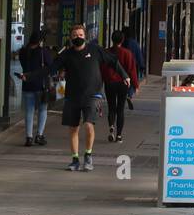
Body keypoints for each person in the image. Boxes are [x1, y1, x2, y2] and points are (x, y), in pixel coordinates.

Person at [51, 24, 129, 172]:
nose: (78, 38)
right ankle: (75, 159)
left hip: (92, 94)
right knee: (73, 128)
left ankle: (88, 155)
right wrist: (29, 76)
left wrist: (124, 75)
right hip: (72, 96)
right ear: (70, 38)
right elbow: (51, 68)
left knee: (88, 124)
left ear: (85, 36)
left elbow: (113, 61)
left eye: (80, 35)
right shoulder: (67, 54)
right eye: (74, 35)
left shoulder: (95, 50)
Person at [16, 31, 54, 147]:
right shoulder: (43, 52)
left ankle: (29, 137)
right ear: (40, 41)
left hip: (27, 85)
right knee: (42, 110)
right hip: (41, 86)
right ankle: (39, 135)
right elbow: (50, 66)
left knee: (29, 112)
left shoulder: (23, 52)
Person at [102, 31, 138, 143]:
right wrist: (135, 85)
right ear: (122, 40)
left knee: (111, 107)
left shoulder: (106, 52)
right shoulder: (127, 53)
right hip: (123, 83)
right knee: (120, 109)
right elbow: (131, 70)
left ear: (112, 39)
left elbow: (102, 68)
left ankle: (111, 127)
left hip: (109, 83)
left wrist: (103, 80)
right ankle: (119, 136)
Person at [122, 27, 145, 110]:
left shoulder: (122, 42)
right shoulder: (134, 43)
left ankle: (124, 94)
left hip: (122, 65)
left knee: (124, 80)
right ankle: (130, 96)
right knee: (131, 81)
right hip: (133, 65)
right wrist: (142, 65)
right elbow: (139, 55)